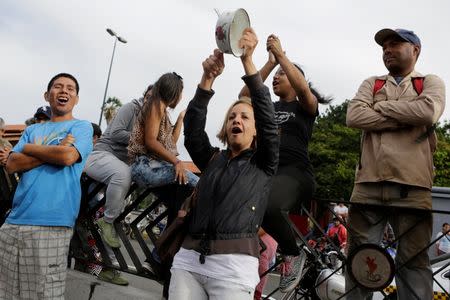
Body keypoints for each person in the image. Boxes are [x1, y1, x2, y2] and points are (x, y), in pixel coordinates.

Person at [169, 28, 279, 300]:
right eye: (232, 116)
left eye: (244, 117)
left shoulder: (264, 162)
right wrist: (207, 79)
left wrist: (248, 60)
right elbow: (193, 132)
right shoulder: (213, 159)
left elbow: (266, 115)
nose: (236, 120)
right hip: (188, 261)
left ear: (256, 131)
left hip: (233, 269)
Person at [346, 28, 445, 299]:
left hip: (413, 186)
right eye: (384, 46)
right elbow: (354, 116)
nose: (387, 50)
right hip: (367, 185)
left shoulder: (430, 81)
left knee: (413, 264)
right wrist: (406, 116)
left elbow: (428, 112)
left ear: (415, 50)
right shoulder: (372, 83)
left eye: (395, 44)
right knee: (360, 261)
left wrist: (380, 108)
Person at [239, 34, 332, 292]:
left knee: (266, 203)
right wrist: (269, 64)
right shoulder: (269, 106)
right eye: (276, 73)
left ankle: (293, 253)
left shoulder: (305, 106)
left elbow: (303, 89)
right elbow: (245, 95)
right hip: (268, 174)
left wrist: (281, 56)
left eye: (282, 73)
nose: (277, 77)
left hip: (296, 175)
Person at [0, 73, 93, 299]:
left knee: (45, 295)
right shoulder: (32, 130)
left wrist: (30, 149)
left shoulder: (82, 127)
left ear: (76, 98)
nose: (64, 91)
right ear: (47, 95)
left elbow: (68, 157)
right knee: (7, 293)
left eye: (70, 88)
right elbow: (12, 163)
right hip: (13, 223)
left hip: (52, 223)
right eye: (58, 86)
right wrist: (55, 149)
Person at [84, 85, 153, 249]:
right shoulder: (131, 108)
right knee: (122, 175)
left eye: (155, 99)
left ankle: (106, 265)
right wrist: (145, 139)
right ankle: (106, 222)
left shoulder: (156, 121)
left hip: (118, 169)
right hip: (102, 156)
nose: (149, 101)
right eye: (148, 96)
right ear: (144, 96)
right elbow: (116, 133)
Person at [128, 73, 198, 189]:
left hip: (150, 165)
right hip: (144, 166)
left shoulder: (161, 109)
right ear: (174, 92)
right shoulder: (156, 105)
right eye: (181, 92)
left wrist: (181, 118)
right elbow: (151, 141)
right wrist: (177, 162)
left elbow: (170, 143)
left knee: (190, 185)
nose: (181, 97)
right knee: (196, 184)